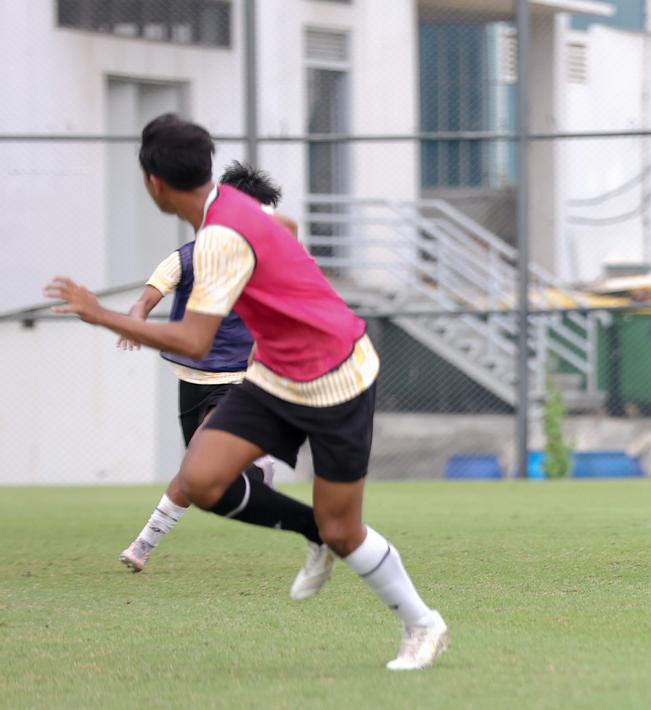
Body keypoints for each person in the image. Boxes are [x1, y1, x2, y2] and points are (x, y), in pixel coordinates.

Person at [44, 114, 449, 669]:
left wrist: (103, 315)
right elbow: (283, 226)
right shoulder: (233, 205)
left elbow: (193, 337)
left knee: (345, 528)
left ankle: (423, 624)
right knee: (201, 480)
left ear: (152, 183)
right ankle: (313, 533)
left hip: (337, 377)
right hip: (276, 372)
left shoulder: (216, 241)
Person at [117, 161, 296, 573]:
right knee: (206, 478)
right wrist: (137, 316)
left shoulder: (266, 261)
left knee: (193, 466)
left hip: (237, 379)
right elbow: (150, 292)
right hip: (191, 376)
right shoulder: (191, 256)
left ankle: (142, 546)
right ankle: (256, 467)